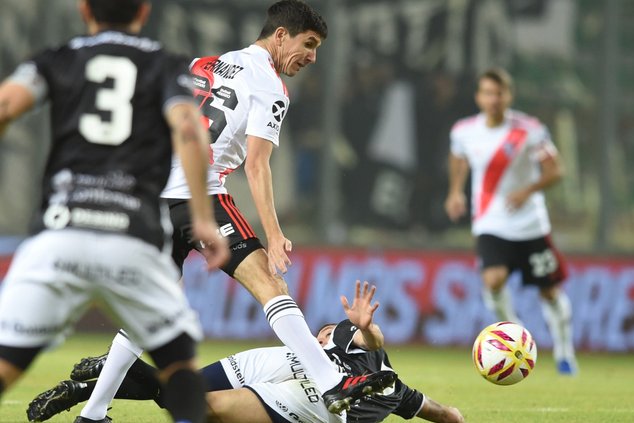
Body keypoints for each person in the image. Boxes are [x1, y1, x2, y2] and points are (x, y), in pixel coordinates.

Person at [62, 2, 394, 422]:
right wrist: (273, 235)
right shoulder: (270, 86)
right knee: (271, 286)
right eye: (308, 44)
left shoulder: (204, 64)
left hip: (155, 196)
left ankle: (92, 414)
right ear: (280, 35)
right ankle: (331, 382)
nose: (312, 56)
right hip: (201, 197)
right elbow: (256, 165)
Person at [0, 0, 230, 422]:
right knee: (179, 367)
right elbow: (187, 131)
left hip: (60, 232)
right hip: (132, 238)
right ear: (143, 12)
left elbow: (4, 106)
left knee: (7, 363)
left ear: (84, 9)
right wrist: (201, 218)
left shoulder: (57, 58)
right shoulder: (167, 65)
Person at [28, 281, 465, 423]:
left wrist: (452, 416)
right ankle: (108, 377)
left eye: (326, 331)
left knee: (203, 406)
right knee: (179, 393)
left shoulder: (385, 377)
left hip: (313, 396)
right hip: (287, 365)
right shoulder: (362, 350)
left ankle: (103, 380)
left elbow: (439, 411)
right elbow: (439, 410)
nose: (322, 332)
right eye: (321, 331)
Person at [444, 68, 577, 375]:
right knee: (493, 280)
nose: (494, 99)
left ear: (509, 96)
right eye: (488, 93)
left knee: (549, 291)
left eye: (499, 93)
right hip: (490, 221)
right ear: (479, 96)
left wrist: (526, 191)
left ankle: (565, 350)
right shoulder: (464, 131)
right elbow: (458, 158)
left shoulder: (529, 129)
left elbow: (556, 171)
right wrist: (454, 192)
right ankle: (514, 336)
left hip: (530, 224)